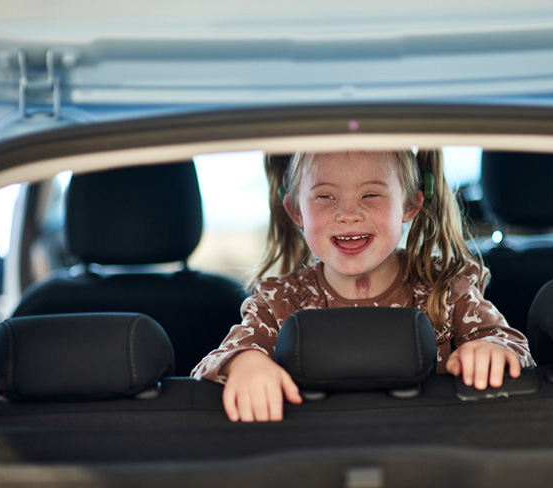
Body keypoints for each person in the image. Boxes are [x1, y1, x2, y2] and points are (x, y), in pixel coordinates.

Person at [192, 150, 534, 422]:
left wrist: (491, 348)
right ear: (296, 210)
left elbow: (514, 345)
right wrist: (245, 363)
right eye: (325, 197)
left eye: (371, 194)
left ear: (411, 203)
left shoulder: (446, 287)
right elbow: (212, 363)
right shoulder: (280, 299)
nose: (348, 214)